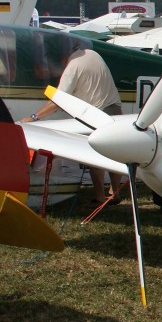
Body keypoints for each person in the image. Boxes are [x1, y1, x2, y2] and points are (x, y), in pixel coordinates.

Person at [22, 45, 125, 204]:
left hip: (96, 114)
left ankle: (99, 198)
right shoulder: (92, 54)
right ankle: (114, 193)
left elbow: (56, 102)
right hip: (115, 110)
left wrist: (34, 117)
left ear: (64, 59)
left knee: (95, 158)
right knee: (115, 154)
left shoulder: (72, 68)